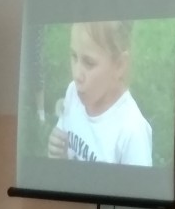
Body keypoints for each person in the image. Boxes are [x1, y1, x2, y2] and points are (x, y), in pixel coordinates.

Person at [48, 21, 152, 165]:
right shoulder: (73, 93)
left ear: (119, 65)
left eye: (89, 63)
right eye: (74, 56)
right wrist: (59, 154)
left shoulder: (132, 132)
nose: (77, 75)